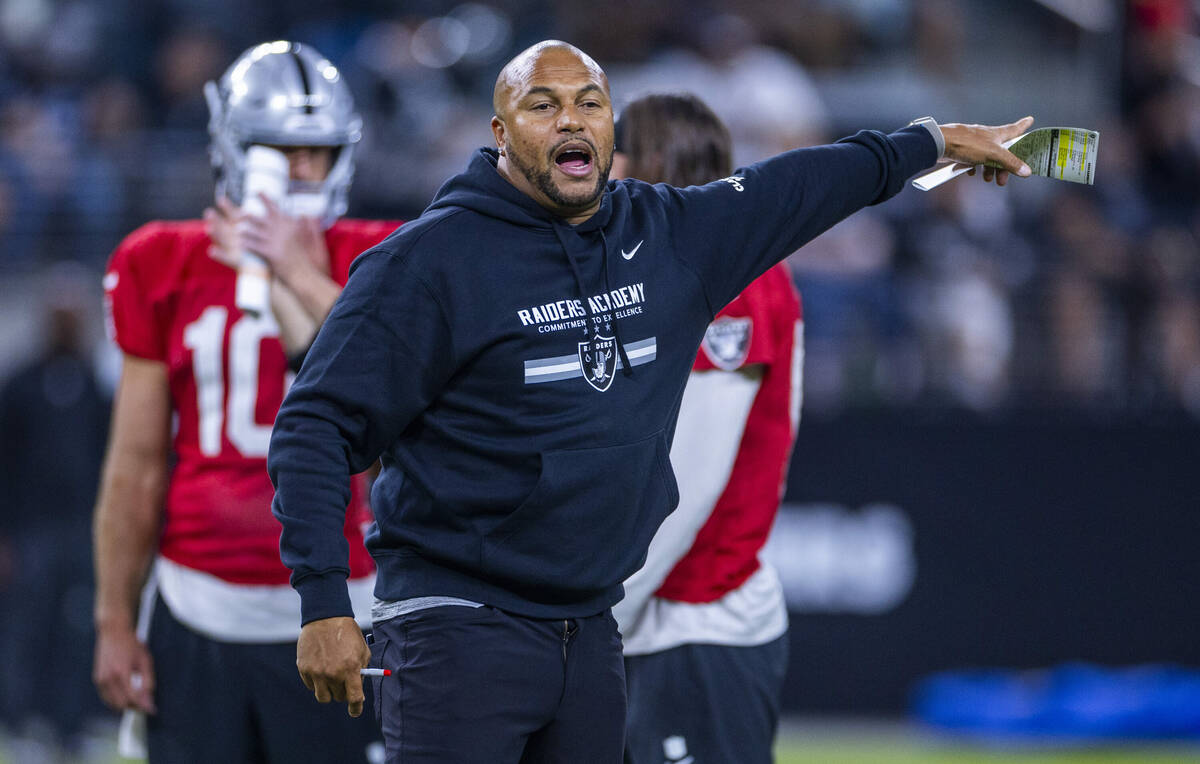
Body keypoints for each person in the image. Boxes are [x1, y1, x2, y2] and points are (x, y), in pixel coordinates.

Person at [267, 39, 1033, 764]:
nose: (571, 118)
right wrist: (324, 599)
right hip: (456, 625)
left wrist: (933, 142)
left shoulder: (667, 234)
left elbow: (807, 182)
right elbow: (315, 425)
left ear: (610, 124)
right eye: (543, 105)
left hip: (593, 629)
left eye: (590, 101)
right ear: (500, 133)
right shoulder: (426, 262)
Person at [91, 41, 400, 763]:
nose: (299, 171)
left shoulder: (382, 254)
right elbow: (135, 464)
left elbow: (398, 390)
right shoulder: (158, 259)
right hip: (199, 605)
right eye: (276, 150)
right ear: (233, 151)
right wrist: (112, 618)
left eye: (317, 152)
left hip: (347, 602)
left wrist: (294, 271)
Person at [607, 93, 800, 764]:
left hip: (691, 621)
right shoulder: (665, 268)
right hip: (653, 619)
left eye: (610, 153)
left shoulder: (731, 277)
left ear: (646, 161)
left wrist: (596, 619)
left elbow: (687, 486)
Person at [0, 265, 110, 757]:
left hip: (82, 531)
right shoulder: (20, 386)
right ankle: (21, 721)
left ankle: (72, 724)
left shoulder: (94, 387)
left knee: (79, 628)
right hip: (31, 533)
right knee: (27, 627)